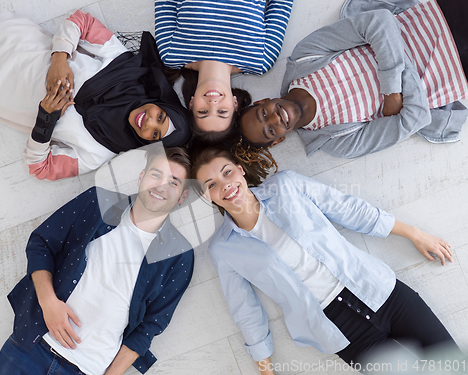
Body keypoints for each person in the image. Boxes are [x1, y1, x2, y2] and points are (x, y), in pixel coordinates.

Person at [190, 143, 462, 374]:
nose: (226, 185)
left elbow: (347, 209)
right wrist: (265, 367)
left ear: (240, 169)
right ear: (206, 195)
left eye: (227, 172)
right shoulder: (223, 249)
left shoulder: (287, 185)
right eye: (212, 184)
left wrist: (414, 234)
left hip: (381, 293)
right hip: (339, 331)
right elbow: (244, 308)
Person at [0, 146, 194, 375]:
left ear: (182, 196)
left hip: (86, 369)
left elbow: (150, 327)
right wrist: (49, 303)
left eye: (174, 182)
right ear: (142, 177)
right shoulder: (98, 203)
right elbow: (41, 243)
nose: (160, 186)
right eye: (156, 174)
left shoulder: (179, 257)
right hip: (31, 349)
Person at [0, 9, 190, 180]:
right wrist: (59, 58)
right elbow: (82, 21)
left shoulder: (98, 152)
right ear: (161, 103)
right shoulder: (124, 67)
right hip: (9, 40)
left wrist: (47, 118)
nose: (149, 123)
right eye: (160, 116)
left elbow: (40, 167)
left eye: (154, 134)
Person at [238, 0, 468, 159]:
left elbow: (379, 21)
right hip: (460, 73)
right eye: (270, 131)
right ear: (277, 140)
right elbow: (416, 118)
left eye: (263, 114)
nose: (275, 119)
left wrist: (392, 93)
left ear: (263, 101)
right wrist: (388, 48)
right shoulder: (338, 141)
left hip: (442, 17)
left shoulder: (304, 57)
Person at [154, 0, 293, 141]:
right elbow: (282, 4)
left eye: (203, 112)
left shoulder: (170, 52)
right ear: (235, 104)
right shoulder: (261, 60)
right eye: (222, 112)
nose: (213, 104)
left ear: (191, 103)